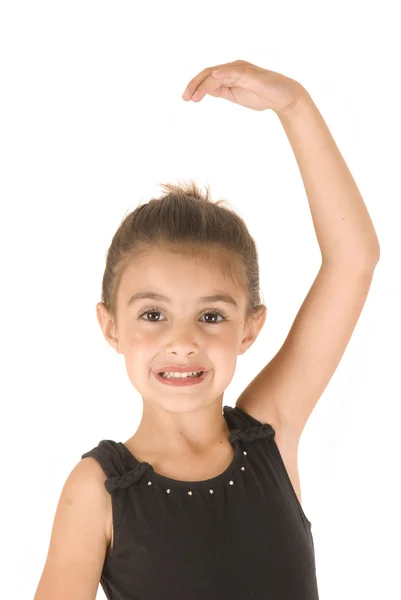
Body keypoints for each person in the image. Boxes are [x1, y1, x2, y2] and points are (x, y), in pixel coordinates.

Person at [33, 60, 380, 600]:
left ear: (250, 327)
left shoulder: (271, 433)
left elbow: (354, 260)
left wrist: (296, 106)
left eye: (211, 316)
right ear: (110, 326)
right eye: (153, 314)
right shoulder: (99, 492)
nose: (183, 340)